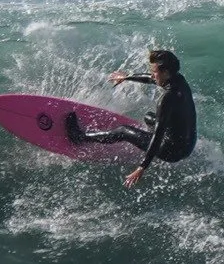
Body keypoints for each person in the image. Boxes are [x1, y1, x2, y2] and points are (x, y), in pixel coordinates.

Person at [65, 48, 196, 188]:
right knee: (149, 117)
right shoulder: (179, 80)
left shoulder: (167, 98)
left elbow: (158, 135)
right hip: (188, 145)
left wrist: (142, 167)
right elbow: (150, 79)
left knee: (123, 131)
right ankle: (148, 144)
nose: (152, 74)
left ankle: (79, 137)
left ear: (165, 72)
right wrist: (126, 77)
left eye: (155, 71)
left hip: (172, 151)